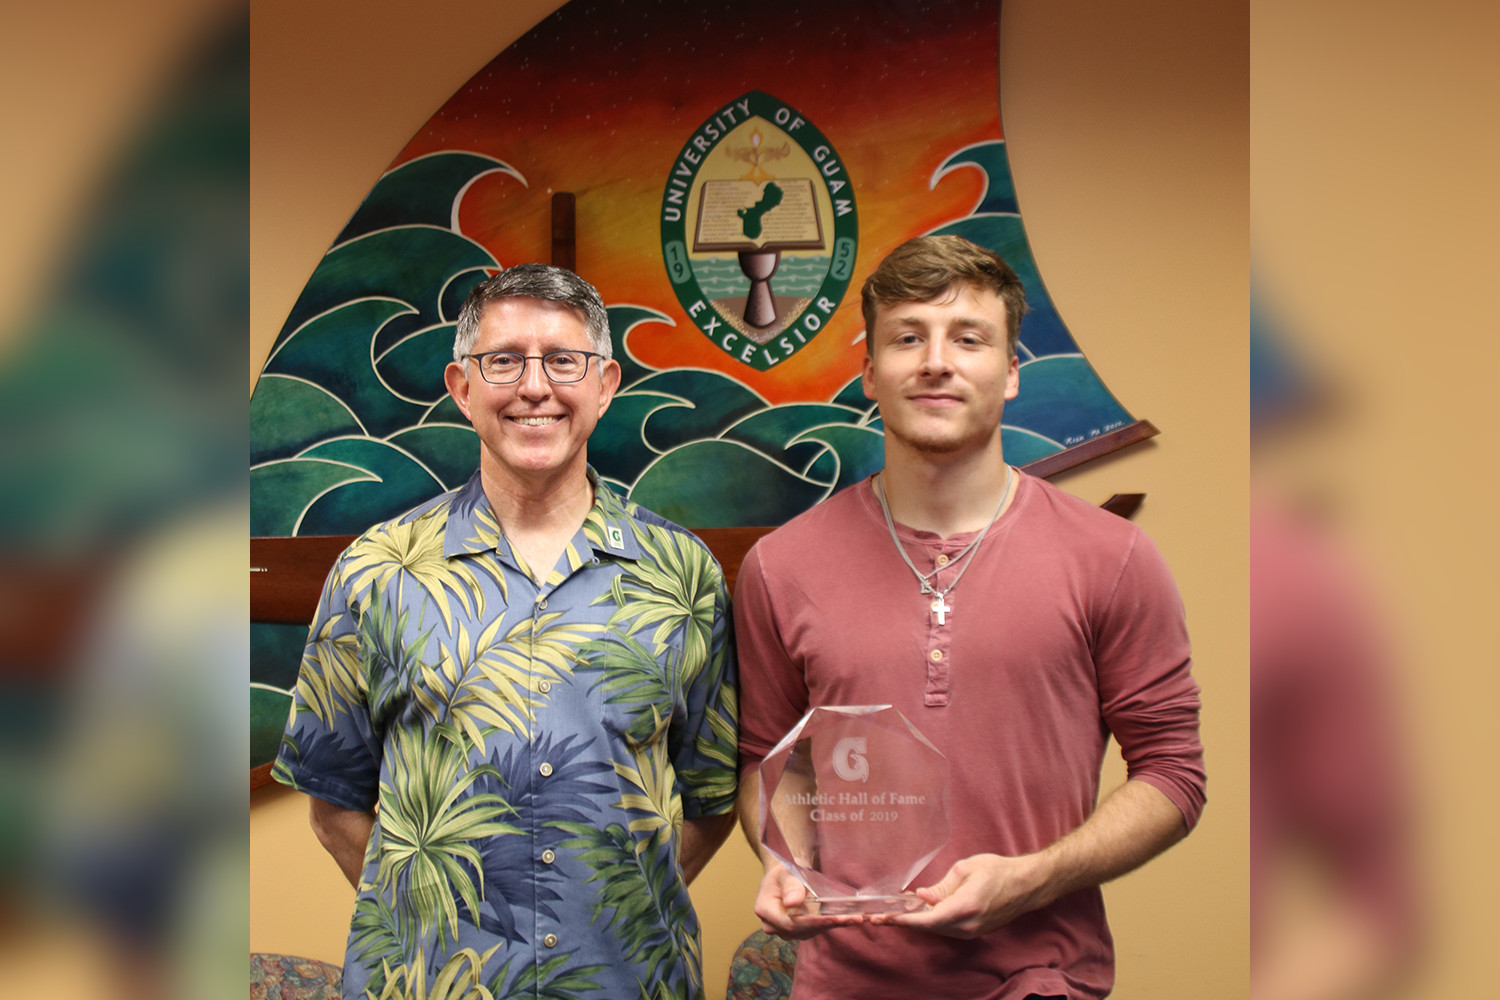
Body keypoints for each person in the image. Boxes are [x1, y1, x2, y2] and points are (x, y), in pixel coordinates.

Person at [734, 235, 1206, 999]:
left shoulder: (1112, 558)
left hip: (1041, 980)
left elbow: (1174, 774)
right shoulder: (781, 566)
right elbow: (768, 758)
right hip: (842, 986)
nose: (935, 362)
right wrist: (785, 865)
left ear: (1011, 372)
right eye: (907, 337)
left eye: (969, 339)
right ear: (870, 373)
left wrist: (1034, 878)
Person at [272, 263, 739, 1000]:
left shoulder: (686, 578)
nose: (534, 386)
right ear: (462, 387)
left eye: (562, 360)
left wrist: (612, 911)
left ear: (606, 384)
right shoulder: (375, 572)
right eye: (504, 361)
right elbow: (334, 803)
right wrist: (430, 911)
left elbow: (711, 798)